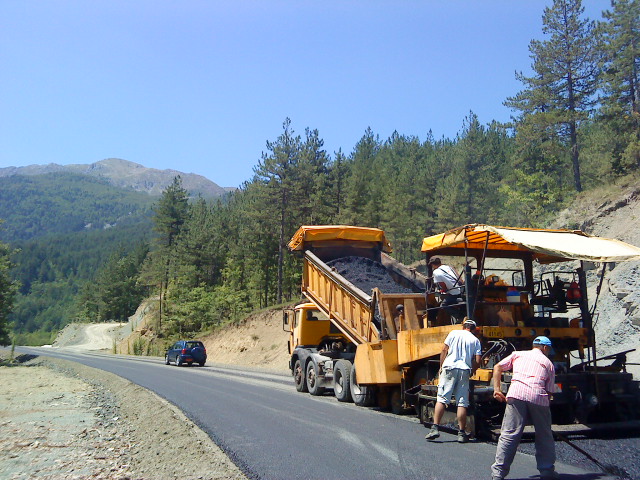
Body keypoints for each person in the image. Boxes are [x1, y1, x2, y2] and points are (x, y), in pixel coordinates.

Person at [490, 336, 558, 480]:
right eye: (549, 349)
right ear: (545, 348)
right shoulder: (548, 363)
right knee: (544, 435)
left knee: (509, 435)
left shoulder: (517, 354)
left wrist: (496, 389)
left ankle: (498, 474)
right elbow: (550, 391)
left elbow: (497, 367)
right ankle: (547, 471)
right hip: (538, 397)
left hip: (516, 395)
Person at [425, 318, 482, 443]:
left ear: (463, 326)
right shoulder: (475, 340)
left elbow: (444, 350)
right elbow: (478, 360)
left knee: (442, 398)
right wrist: (472, 370)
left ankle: (435, 428)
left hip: (449, 368)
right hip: (464, 370)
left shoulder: (453, 333)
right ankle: (461, 434)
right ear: (473, 329)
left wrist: (441, 366)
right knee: (462, 402)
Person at [429, 257, 465, 321]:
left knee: (444, 305)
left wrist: (443, 290)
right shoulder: (449, 267)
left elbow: (443, 286)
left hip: (455, 293)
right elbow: (460, 278)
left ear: (432, 265)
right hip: (463, 290)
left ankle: (460, 317)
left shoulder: (436, 272)